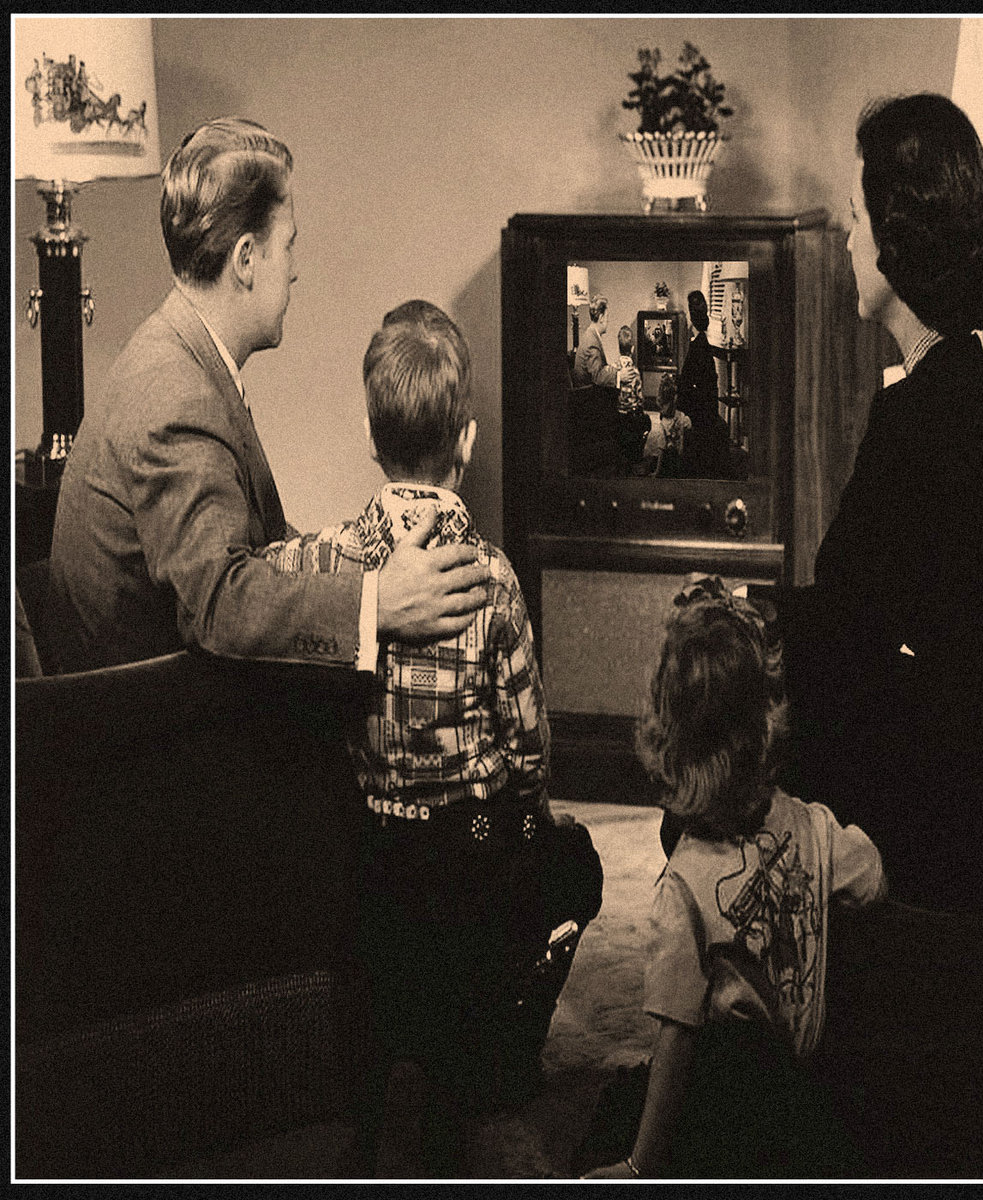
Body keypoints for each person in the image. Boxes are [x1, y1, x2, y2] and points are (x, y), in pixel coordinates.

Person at [258, 300, 604, 1175]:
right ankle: (492, 1058)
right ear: (469, 441)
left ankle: (378, 1093)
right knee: (581, 867)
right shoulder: (493, 579)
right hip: (471, 873)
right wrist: (532, 814)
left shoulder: (325, 560)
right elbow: (528, 750)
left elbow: (258, 580)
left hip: (370, 867)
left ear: (369, 437)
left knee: (383, 980)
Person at [48, 117, 487, 675]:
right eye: (288, 245)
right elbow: (219, 606)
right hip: (149, 718)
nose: (295, 271)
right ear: (246, 259)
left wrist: (373, 564)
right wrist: (377, 601)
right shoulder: (177, 398)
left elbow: (262, 551)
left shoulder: (184, 354)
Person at [780, 93, 983, 912]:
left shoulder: (924, 413)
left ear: (896, 237)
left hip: (982, 824)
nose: (848, 240)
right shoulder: (962, 383)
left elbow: (846, 623)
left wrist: (742, 618)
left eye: (856, 219)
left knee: (722, 786)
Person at [580, 576, 886, 1179]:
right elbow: (872, 878)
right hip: (807, 1098)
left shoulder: (684, 887)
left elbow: (676, 1040)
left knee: (614, 1109)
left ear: (668, 737)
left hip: (726, 1111)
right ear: (768, 719)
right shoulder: (815, 825)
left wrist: (640, 1165)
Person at [677, 290, 729, 477]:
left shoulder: (698, 346)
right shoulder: (702, 343)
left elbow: (687, 383)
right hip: (707, 409)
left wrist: (680, 403)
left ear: (691, 316)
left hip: (701, 415)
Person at [572, 294, 637, 391]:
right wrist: (619, 376)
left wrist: (613, 368)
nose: (608, 320)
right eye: (607, 316)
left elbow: (598, 369)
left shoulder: (591, 334)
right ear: (601, 317)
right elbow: (597, 377)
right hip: (588, 395)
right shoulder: (591, 342)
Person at [615, 324, 651, 470]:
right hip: (632, 418)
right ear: (632, 349)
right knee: (646, 422)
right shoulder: (635, 372)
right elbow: (640, 398)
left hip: (619, 417)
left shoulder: (614, 369)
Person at [646, 372, 690, 478]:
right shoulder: (670, 421)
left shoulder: (681, 419)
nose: (662, 409)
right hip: (674, 457)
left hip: (679, 456)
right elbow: (663, 448)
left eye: (664, 406)